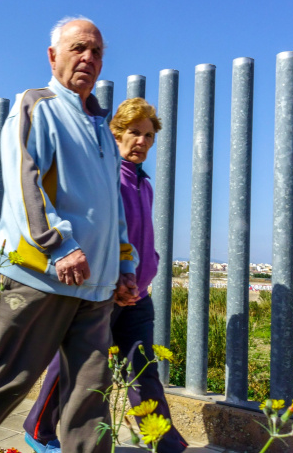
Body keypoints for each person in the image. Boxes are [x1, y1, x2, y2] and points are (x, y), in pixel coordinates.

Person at [0, 16, 138, 453]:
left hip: (94, 290)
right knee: (4, 384)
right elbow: (25, 182)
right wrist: (61, 246)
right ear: (52, 55)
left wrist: (124, 265)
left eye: (97, 51)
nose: (89, 58)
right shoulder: (37, 105)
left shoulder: (100, 124)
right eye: (79, 48)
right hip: (38, 277)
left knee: (89, 400)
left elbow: (110, 208)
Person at [23, 98, 188, 452]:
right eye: (133, 133)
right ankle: (39, 429)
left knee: (143, 372)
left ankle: (165, 443)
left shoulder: (143, 184)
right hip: (102, 291)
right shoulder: (107, 179)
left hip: (137, 294)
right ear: (116, 135)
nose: (141, 141)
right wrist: (112, 278)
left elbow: (143, 237)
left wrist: (149, 267)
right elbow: (99, 231)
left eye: (147, 135)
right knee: (72, 365)